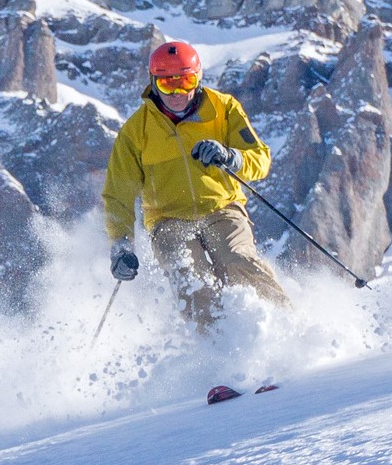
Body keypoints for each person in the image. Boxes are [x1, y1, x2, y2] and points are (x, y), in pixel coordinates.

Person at [103, 40, 294, 327]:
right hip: (168, 220)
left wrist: (231, 157)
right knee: (192, 280)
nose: (178, 93)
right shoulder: (136, 131)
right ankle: (213, 346)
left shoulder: (223, 108)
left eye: (186, 81)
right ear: (154, 84)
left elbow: (260, 159)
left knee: (237, 260)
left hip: (222, 208)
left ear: (198, 78)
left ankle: (287, 325)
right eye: (168, 85)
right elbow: (118, 193)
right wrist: (121, 245)